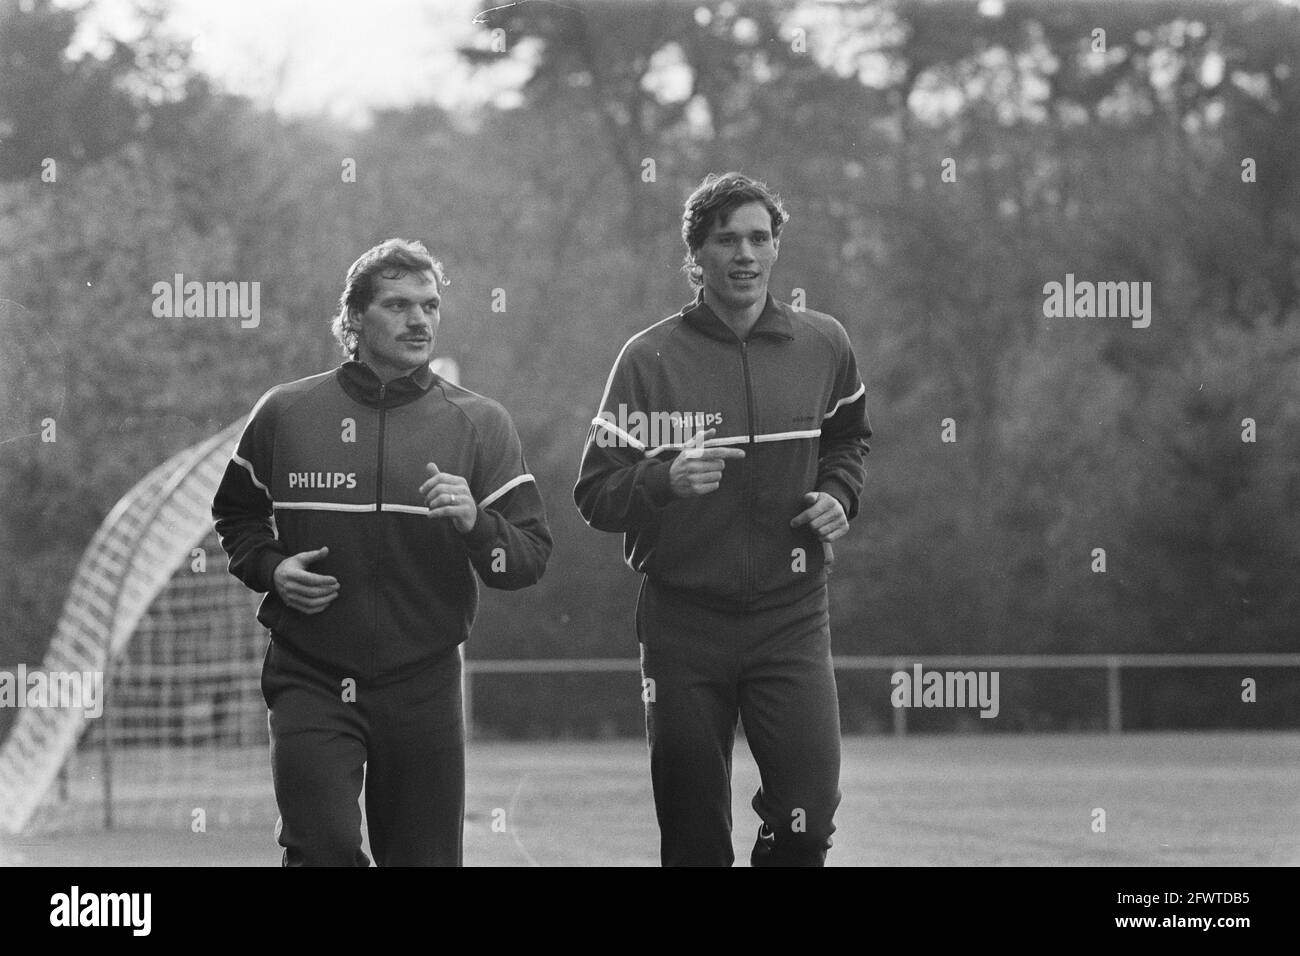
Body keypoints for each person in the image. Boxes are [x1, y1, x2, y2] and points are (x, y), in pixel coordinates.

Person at [212, 238, 551, 866]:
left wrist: (478, 523)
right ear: (354, 320)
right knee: (323, 849)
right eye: (398, 305)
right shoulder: (286, 412)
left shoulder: (480, 423)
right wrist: (271, 568)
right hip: (309, 672)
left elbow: (527, 558)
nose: (419, 320)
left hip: (421, 682)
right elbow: (237, 516)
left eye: (430, 306)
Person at [574, 173, 871, 866]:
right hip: (683, 623)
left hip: (791, 615)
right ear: (695, 258)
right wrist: (664, 478)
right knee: (694, 838)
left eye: (759, 239)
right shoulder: (648, 359)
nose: (744, 254)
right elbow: (595, 493)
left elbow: (849, 438)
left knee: (806, 819)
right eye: (726, 240)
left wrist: (839, 493)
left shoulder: (822, 343)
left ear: (776, 251)